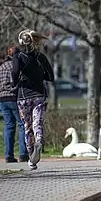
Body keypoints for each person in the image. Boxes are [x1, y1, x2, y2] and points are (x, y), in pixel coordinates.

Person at [12, 29, 54, 170]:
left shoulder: (18, 57)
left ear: (21, 42)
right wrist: (39, 76)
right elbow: (50, 77)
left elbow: (15, 72)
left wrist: (14, 84)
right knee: (38, 122)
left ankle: (31, 157)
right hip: (39, 95)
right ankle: (39, 142)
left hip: (23, 96)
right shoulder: (40, 57)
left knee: (27, 126)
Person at [0, 46, 29, 163]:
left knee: (8, 127)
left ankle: (8, 155)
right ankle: (23, 154)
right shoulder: (16, 65)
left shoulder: (1, 67)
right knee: (22, 124)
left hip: (2, 99)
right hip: (14, 98)